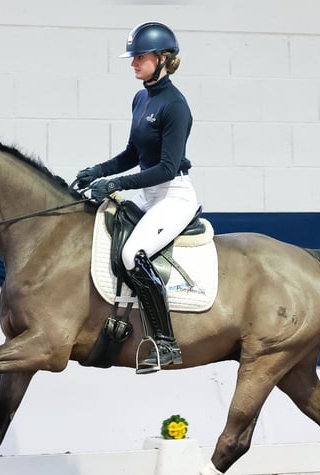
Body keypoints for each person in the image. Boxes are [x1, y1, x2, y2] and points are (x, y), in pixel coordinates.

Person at [76, 21, 199, 374]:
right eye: (134, 58)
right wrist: (98, 171)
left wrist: (116, 185)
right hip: (148, 194)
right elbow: (133, 153)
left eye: (140, 57)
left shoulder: (176, 105)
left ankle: (165, 344)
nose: (133, 63)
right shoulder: (141, 97)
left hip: (172, 195)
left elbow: (165, 167)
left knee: (133, 254)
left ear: (163, 58)